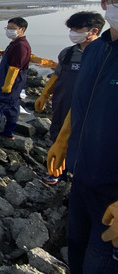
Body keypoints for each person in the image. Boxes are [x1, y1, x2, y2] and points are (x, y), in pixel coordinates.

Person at [47, 0, 118, 273]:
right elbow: (82, 102)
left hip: (114, 195)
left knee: (100, 264)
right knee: (76, 251)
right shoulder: (95, 51)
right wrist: (63, 142)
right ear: (105, 1)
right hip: (83, 178)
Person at [36, 11, 104, 185]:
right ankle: (58, 172)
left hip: (88, 108)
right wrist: (44, 95)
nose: (73, 33)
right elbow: (57, 76)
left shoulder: (104, 54)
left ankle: (81, 175)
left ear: (94, 31)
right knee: (58, 134)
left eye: (77, 29)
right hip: (62, 102)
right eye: (71, 29)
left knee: (82, 140)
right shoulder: (67, 53)